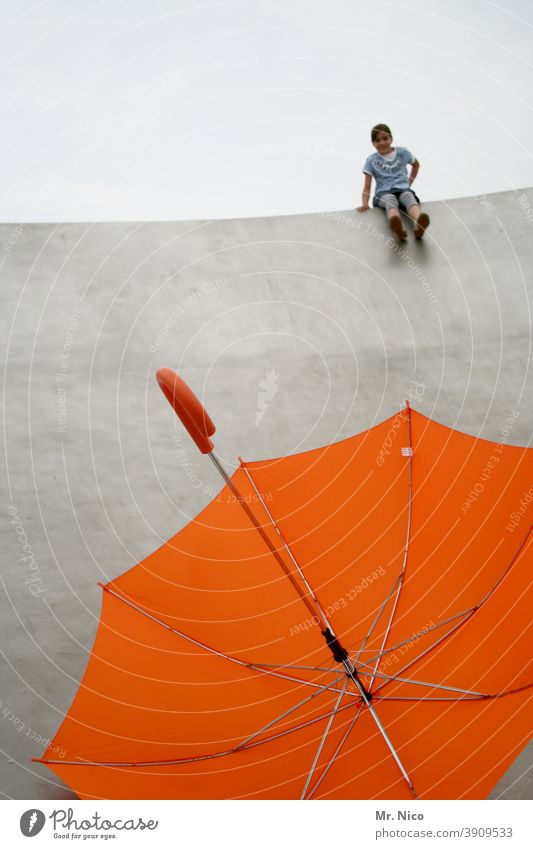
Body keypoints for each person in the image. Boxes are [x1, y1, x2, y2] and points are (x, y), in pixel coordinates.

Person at [357, 123, 430, 241]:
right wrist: (365, 204)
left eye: (385, 138)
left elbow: (416, 164)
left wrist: (408, 183)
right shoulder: (371, 160)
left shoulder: (403, 152)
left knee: (408, 196)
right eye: (377, 140)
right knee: (390, 201)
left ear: (391, 139)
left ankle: (419, 221)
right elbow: (367, 185)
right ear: (373, 143)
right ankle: (398, 227)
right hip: (383, 193)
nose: (382, 143)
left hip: (403, 189)